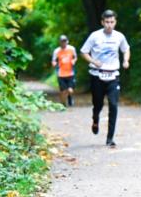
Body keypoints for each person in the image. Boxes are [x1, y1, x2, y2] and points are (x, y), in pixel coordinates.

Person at [79, 10, 130, 148]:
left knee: (113, 105)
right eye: (107, 22)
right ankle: (95, 118)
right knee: (98, 104)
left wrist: (125, 60)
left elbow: (126, 49)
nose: (109, 25)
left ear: (115, 22)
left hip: (113, 75)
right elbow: (83, 51)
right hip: (97, 74)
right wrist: (94, 61)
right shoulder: (95, 36)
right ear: (102, 22)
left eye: (112, 22)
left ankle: (110, 138)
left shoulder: (119, 36)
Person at [51, 35, 77, 107]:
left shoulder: (71, 49)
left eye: (65, 41)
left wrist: (73, 61)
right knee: (63, 91)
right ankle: (63, 103)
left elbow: (75, 57)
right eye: (62, 41)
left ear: (67, 41)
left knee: (70, 90)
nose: (63, 43)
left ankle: (70, 98)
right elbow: (53, 61)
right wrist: (54, 64)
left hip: (70, 73)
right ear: (60, 42)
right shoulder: (57, 51)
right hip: (61, 73)